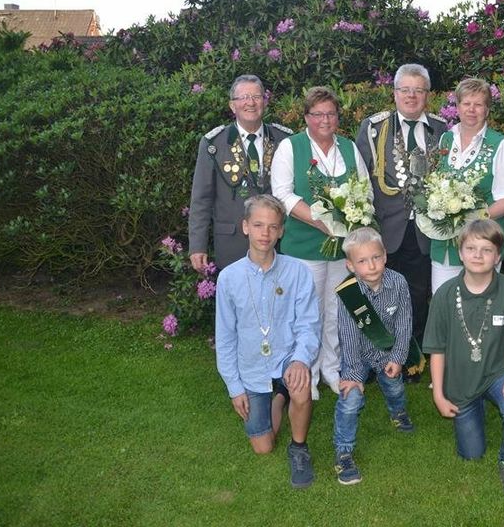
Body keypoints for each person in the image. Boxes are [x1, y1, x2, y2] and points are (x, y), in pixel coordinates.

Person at [271, 86, 372, 399]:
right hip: (303, 248)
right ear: (306, 117)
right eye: (318, 114)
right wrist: (323, 222)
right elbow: (283, 194)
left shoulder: (348, 147)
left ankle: (332, 367)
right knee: (307, 313)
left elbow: (365, 191)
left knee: (338, 309)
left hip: (342, 251)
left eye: (331, 113)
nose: (325, 120)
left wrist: (353, 218)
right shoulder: (291, 147)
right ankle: (307, 373)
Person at [214, 194, 320, 489]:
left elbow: (309, 324)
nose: (265, 233)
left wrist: (300, 359)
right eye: (258, 225)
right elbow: (225, 338)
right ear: (245, 226)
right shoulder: (229, 278)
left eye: (273, 227)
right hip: (251, 365)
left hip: (287, 355)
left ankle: (299, 448)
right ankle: (279, 396)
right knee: (263, 446)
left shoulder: (297, 272)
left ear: (282, 231)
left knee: (301, 384)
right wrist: (235, 388)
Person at [423, 219, 504, 497]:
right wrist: (438, 394)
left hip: (499, 372)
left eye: (486, 250)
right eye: (471, 248)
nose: (478, 255)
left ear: (498, 256)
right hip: (461, 381)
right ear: (460, 253)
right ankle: (476, 405)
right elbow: (436, 348)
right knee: (471, 454)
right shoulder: (445, 294)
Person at [356, 63, 447, 381]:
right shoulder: (373, 127)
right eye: (404, 89)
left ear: (427, 95)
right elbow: (360, 176)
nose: (411, 96)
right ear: (393, 93)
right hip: (384, 230)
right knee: (373, 293)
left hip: (424, 230)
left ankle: (411, 359)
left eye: (418, 90)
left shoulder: (441, 129)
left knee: (417, 295)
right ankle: (370, 358)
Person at [332, 227, 415, 485]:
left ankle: (398, 412)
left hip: (388, 351)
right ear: (350, 265)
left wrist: (398, 357)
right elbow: (347, 335)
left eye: (376, 257)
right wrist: (354, 375)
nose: (371, 265)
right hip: (357, 355)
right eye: (362, 260)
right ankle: (343, 451)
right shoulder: (348, 293)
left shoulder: (398, 282)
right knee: (351, 399)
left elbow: (404, 324)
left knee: (394, 387)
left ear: (385, 255)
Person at [189, 74, 293, 271]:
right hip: (232, 244)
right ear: (232, 105)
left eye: (256, 97)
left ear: (264, 101)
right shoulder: (214, 144)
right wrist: (197, 245)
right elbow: (201, 199)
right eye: (243, 97)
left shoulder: (284, 139)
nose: (250, 103)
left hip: (278, 243)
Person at [429, 78, 504, 293]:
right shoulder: (445, 140)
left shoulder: (502, 145)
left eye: (478, 104)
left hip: (483, 244)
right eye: (466, 103)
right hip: (445, 245)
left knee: (483, 308)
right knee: (444, 302)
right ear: (458, 107)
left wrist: (473, 218)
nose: (471, 110)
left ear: (487, 110)